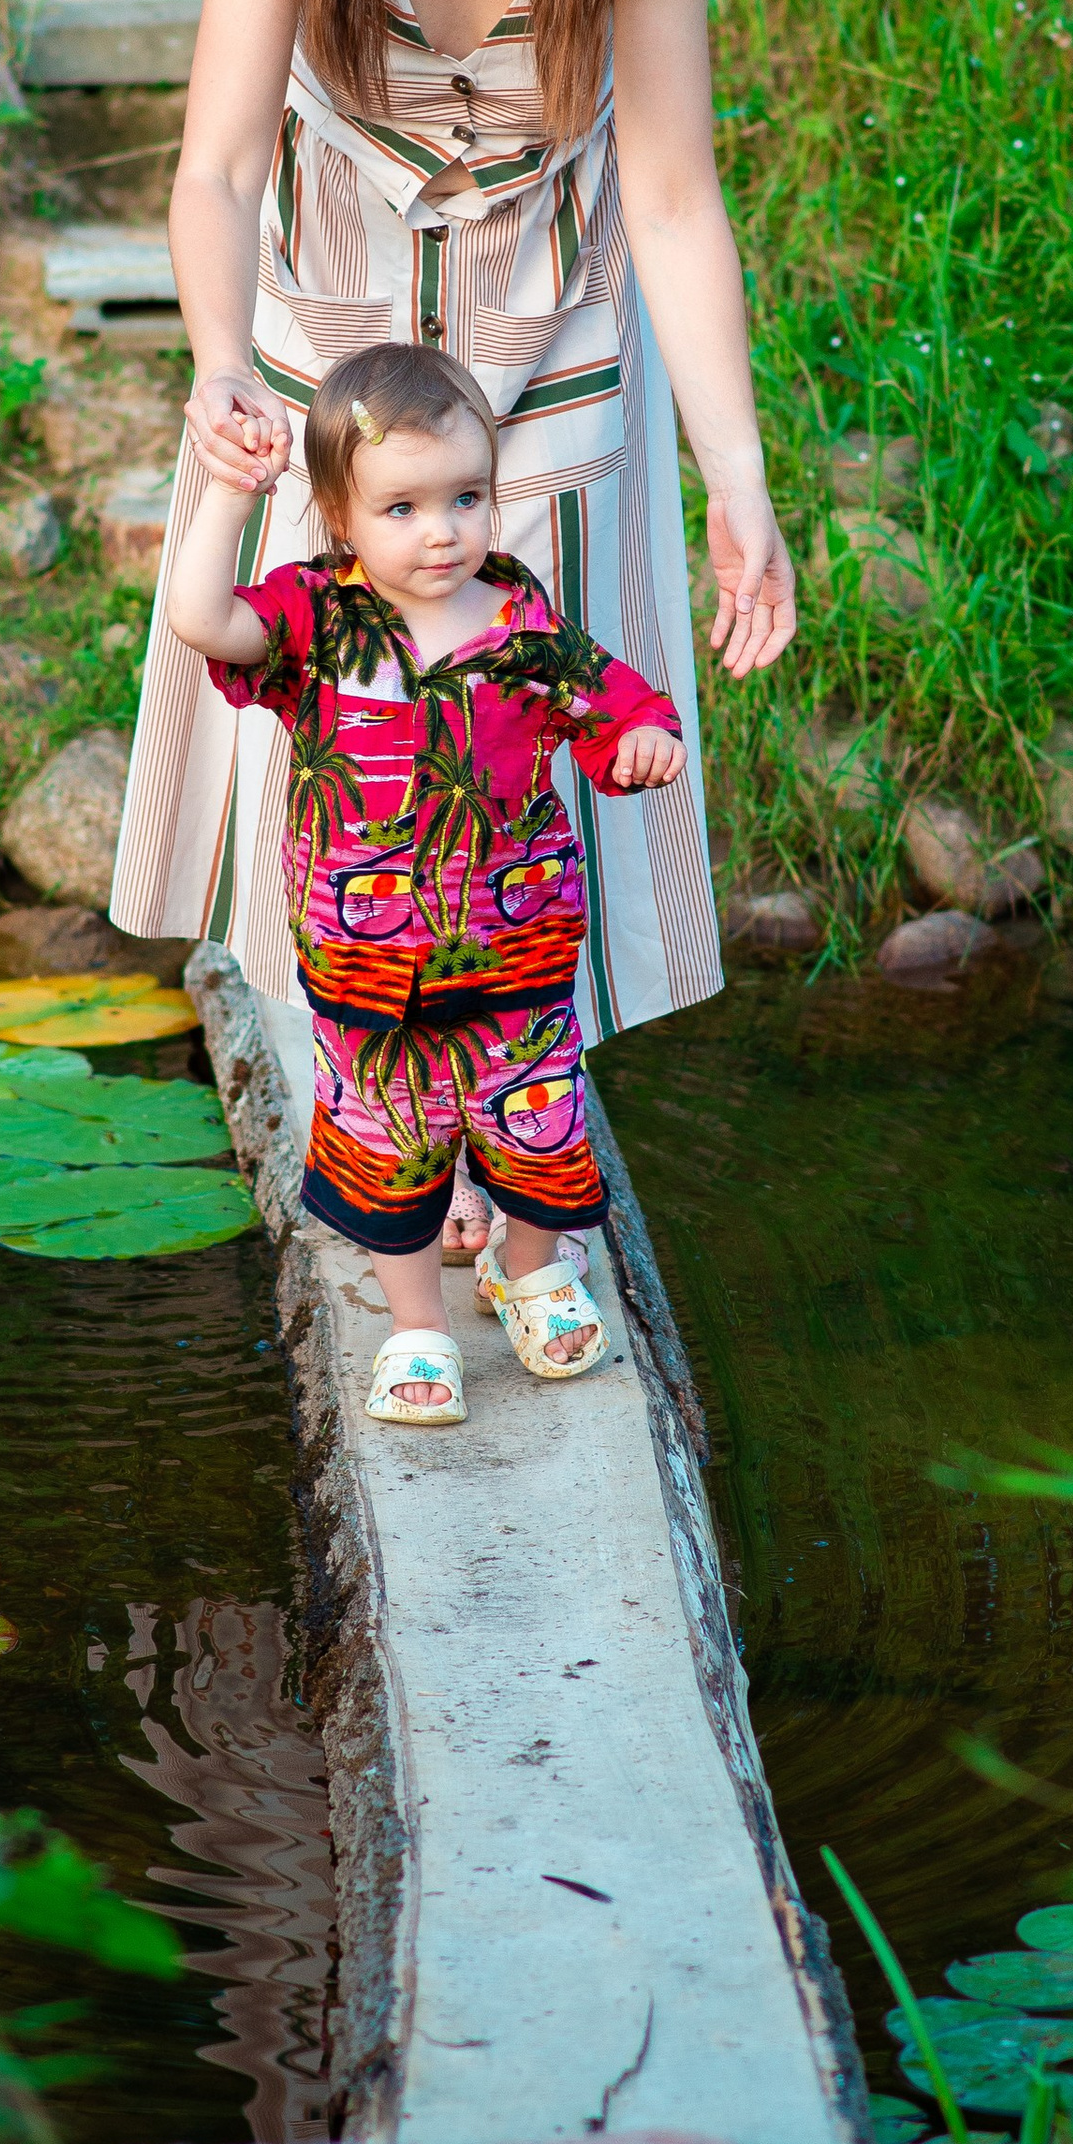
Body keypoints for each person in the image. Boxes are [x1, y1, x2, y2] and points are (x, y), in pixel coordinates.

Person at [111, 0, 797, 1260]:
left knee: (523, 723)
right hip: (331, 345)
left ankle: (523, 1106)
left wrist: (739, 483)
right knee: (341, 722)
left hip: (550, 335)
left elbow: (677, 194)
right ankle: (364, 1091)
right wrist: (219, 368)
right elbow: (211, 167)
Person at [163, 342, 686, 1425]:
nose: (442, 529)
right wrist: (223, 494)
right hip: (369, 968)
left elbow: (615, 697)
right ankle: (417, 1324)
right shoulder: (315, 619)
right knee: (388, 1146)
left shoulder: (520, 626)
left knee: (539, 1127)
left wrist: (641, 738)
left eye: (465, 496)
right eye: (400, 507)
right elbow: (201, 621)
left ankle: (530, 1268)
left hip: (520, 953)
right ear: (340, 516)